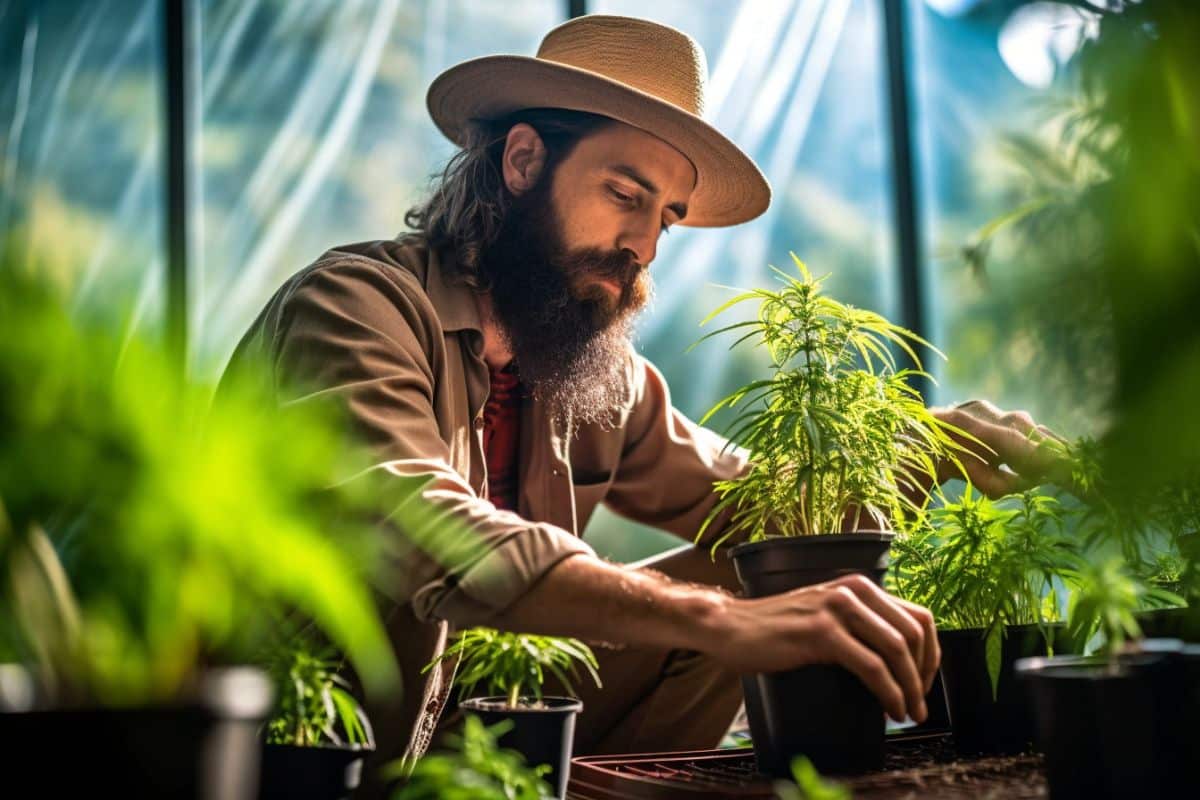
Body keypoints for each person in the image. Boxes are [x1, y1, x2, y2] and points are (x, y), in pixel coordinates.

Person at [223, 14, 1060, 790]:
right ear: (522, 162)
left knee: (758, 571)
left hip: (483, 747)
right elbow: (423, 526)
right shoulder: (355, 307)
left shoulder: (589, 369)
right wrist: (718, 625)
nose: (645, 246)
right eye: (626, 195)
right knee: (722, 610)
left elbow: (762, 508)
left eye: (668, 217)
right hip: (295, 755)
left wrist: (920, 449)